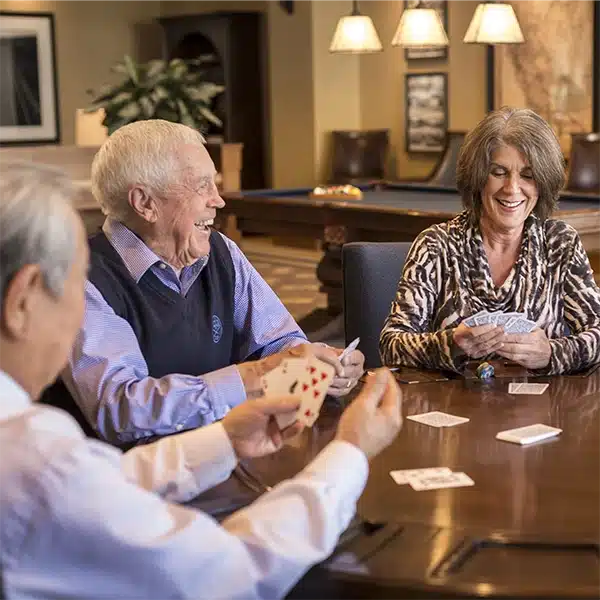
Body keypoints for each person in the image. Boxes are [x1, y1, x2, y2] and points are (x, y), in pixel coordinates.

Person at [0, 161, 402, 599]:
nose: (83, 311)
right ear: (23, 300)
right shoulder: (36, 458)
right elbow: (236, 572)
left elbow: (102, 482)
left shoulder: (37, 456)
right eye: (77, 283)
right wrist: (350, 452)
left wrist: (224, 440)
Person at [48, 119, 364, 446]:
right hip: (127, 480)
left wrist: (320, 364)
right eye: (202, 186)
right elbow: (122, 412)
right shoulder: (83, 277)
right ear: (145, 203)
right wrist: (257, 375)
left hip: (227, 452)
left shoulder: (221, 252)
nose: (219, 200)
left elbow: (278, 343)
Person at [380, 107, 600, 375]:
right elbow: (390, 343)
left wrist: (551, 353)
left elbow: (597, 332)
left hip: (542, 407)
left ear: (543, 183)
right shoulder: (436, 245)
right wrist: (450, 344)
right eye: (499, 172)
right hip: (454, 404)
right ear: (478, 177)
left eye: (528, 175)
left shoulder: (559, 244)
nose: (512, 188)